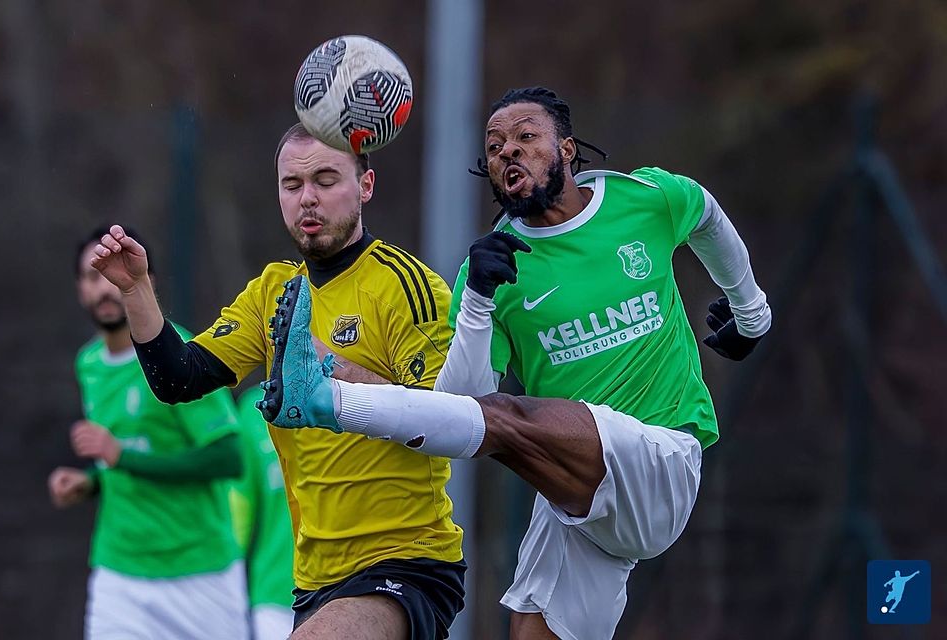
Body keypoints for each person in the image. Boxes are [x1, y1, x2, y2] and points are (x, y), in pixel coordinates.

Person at [258, 87, 772, 640]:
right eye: (496, 144)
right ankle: (318, 389)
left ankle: (323, 397)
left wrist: (751, 311)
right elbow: (457, 410)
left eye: (526, 137)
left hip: (662, 459)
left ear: (568, 149)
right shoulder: (493, 267)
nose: (508, 151)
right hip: (577, 504)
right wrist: (477, 298)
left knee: (510, 417)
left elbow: (705, 213)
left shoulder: (642, 198)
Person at [89, 124, 466, 640]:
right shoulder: (273, 291)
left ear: (366, 185)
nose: (307, 198)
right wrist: (135, 290)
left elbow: (448, 420)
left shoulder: (407, 285)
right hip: (313, 578)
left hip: (405, 564)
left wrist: (327, 372)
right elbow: (178, 380)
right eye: (292, 185)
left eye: (326, 180)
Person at [47, 226, 248, 640]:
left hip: (199, 573)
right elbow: (126, 456)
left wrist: (123, 458)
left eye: (111, 275)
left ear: (144, 282)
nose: (104, 289)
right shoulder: (89, 364)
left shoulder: (181, 355)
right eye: (91, 277)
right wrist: (90, 482)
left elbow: (228, 458)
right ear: (79, 289)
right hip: (118, 573)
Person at [230, 385, 296, 639]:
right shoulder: (253, 408)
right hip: (274, 597)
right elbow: (239, 506)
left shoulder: (357, 392)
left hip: (351, 589)